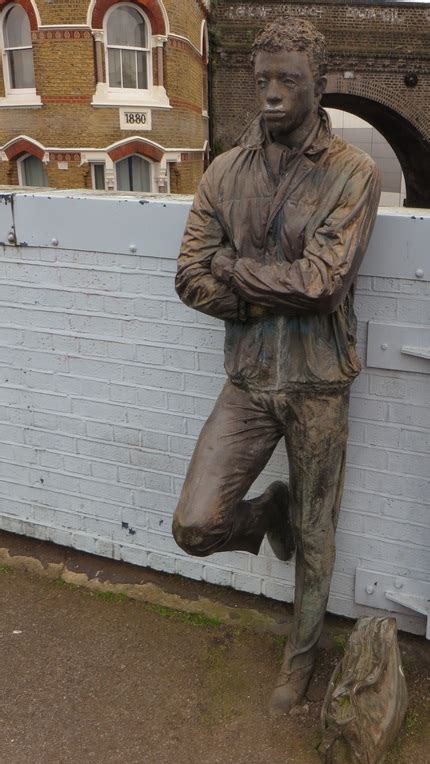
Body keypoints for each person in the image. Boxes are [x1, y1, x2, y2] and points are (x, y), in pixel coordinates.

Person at [172, 18, 381, 713]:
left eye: (288, 80)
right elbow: (191, 277)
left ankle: (301, 661)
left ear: (319, 86)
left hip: (320, 381)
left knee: (319, 535)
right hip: (251, 379)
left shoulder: (354, 173)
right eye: (262, 79)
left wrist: (236, 270)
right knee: (195, 526)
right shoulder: (225, 172)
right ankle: (266, 513)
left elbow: (324, 283)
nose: (270, 94)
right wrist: (257, 293)